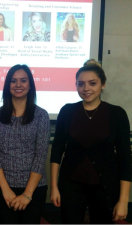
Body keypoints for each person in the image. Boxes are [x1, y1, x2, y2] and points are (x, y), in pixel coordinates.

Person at [50, 60, 131, 223]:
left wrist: (123, 200)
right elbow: (57, 150)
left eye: (92, 83)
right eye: (81, 84)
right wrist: (54, 187)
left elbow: (125, 159)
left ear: (103, 84)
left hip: (105, 187)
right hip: (70, 186)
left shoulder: (117, 114)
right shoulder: (67, 111)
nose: (86, 88)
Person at [0, 64, 51, 224]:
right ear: (8, 85)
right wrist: (5, 189)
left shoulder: (41, 116)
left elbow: (40, 156)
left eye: (23, 80)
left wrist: (27, 194)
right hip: (3, 188)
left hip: (34, 189)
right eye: (13, 81)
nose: (18, 85)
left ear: (30, 85)